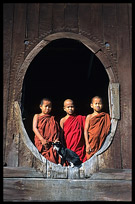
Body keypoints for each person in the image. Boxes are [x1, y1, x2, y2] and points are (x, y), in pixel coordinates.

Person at [33, 98, 61, 164]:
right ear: (40, 106)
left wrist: (57, 139)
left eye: (49, 107)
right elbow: (34, 128)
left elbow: (58, 130)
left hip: (51, 143)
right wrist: (42, 139)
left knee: (53, 159)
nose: (47, 108)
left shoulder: (52, 118)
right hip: (41, 142)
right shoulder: (37, 116)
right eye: (46, 106)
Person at [84, 96, 111, 160]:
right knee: (90, 159)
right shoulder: (89, 116)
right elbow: (85, 131)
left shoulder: (105, 116)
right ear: (91, 105)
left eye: (100, 103)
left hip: (102, 142)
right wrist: (87, 144)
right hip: (92, 142)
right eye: (96, 103)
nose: (98, 105)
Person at [60, 99, 86, 163]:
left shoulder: (80, 118)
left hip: (79, 145)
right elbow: (61, 135)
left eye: (72, 106)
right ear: (64, 108)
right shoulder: (63, 120)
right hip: (68, 144)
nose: (70, 109)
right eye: (68, 107)